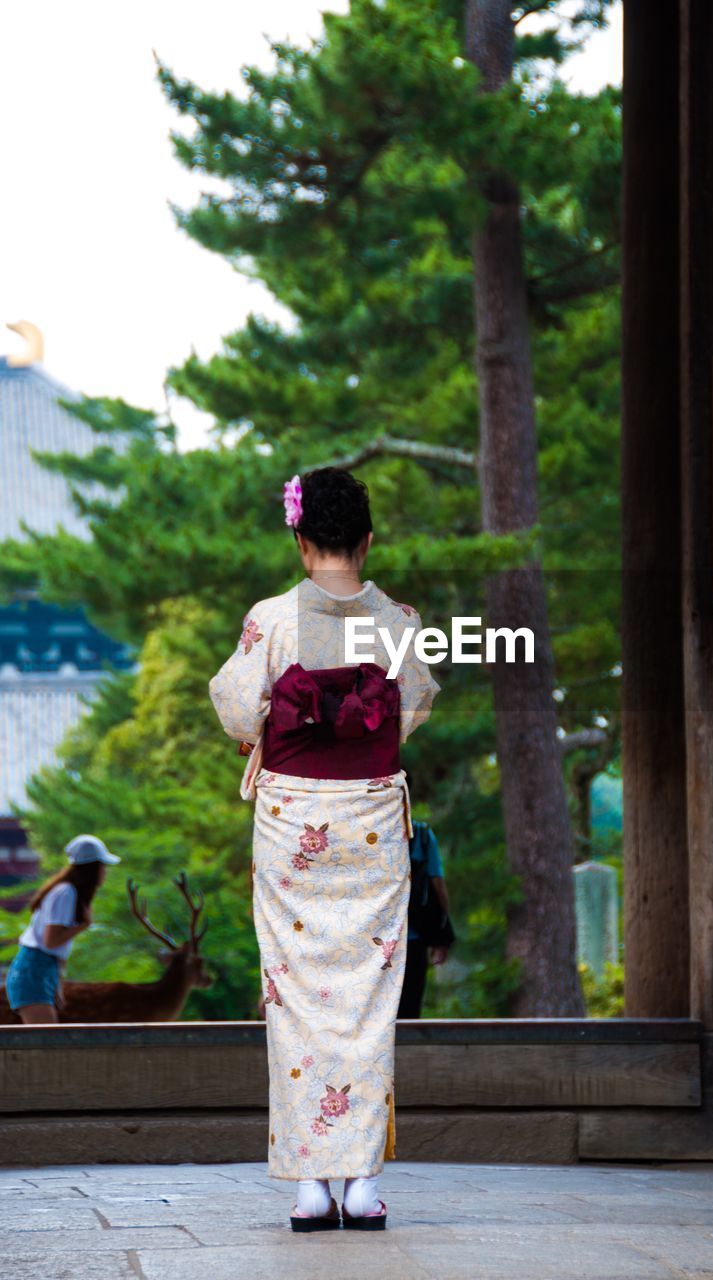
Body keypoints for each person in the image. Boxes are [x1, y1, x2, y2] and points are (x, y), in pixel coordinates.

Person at [209, 467, 440, 1232]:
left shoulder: (272, 618)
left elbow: (240, 710)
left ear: (301, 541)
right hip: (369, 819)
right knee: (371, 999)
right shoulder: (397, 620)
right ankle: (363, 1186)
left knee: (295, 992)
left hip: (292, 821)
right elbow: (414, 706)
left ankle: (311, 1184)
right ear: (366, 541)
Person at [5, 834, 121, 1024]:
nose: (105, 872)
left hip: (40, 969)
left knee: (47, 1041)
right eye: (102, 866)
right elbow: (51, 941)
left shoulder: (65, 891)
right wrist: (83, 926)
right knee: (46, 1043)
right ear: (92, 868)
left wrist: (56, 982)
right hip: (34, 971)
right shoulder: (66, 892)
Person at [398, 801, 452, 1018]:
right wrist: (443, 931)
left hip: (376, 938)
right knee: (410, 1007)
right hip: (414, 936)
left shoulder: (367, 833)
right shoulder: (421, 835)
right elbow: (437, 884)